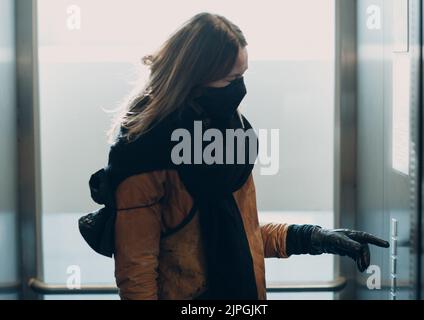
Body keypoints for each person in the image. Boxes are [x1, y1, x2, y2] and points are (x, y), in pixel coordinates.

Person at [104, 12, 389, 300]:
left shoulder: (229, 134)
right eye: (232, 78)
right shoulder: (143, 153)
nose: (240, 88)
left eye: (243, 75)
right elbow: (137, 272)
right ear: (197, 77)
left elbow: (241, 234)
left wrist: (313, 237)